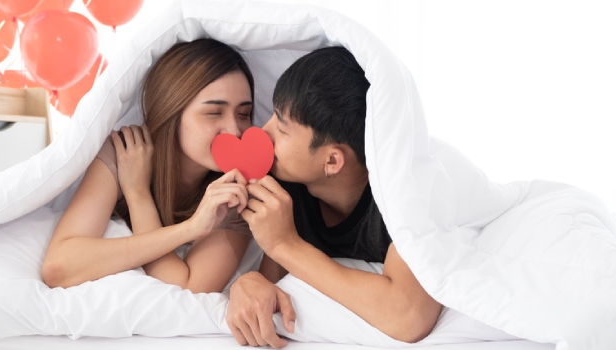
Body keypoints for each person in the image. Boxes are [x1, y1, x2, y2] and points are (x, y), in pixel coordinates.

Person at [226, 47, 444, 348]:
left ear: (332, 161)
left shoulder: (403, 193)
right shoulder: (288, 185)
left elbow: (408, 318)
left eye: (282, 127)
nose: (263, 132)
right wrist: (247, 283)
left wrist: (284, 244)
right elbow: (270, 282)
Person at [41, 38, 254, 294]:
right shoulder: (126, 152)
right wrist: (188, 227)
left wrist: (139, 195)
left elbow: (186, 288)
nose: (234, 130)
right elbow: (59, 268)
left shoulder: (239, 191)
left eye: (243, 114)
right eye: (214, 113)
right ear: (171, 110)